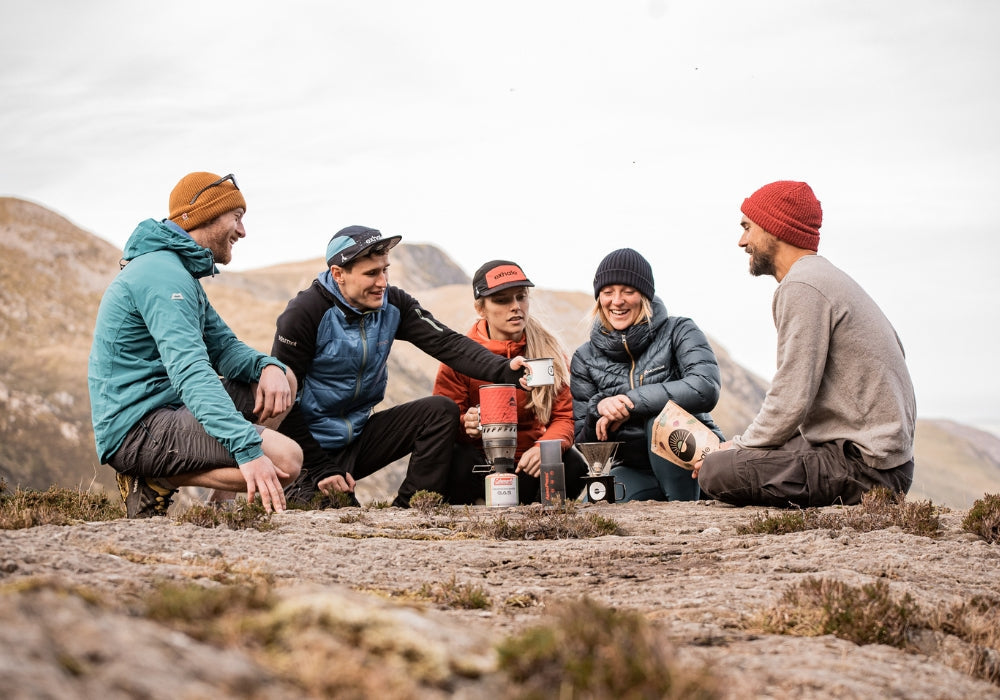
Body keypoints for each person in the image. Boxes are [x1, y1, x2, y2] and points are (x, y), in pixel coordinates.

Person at [88, 171, 303, 519]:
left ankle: (222, 503)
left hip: (168, 410)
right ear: (205, 216)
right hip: (136, 429)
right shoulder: (162, 274)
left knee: (283, 381)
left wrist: (269, 367)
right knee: (286, 460)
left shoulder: (177, 271)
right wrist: (247, 451)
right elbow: (190, 372)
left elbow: (225, 350)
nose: (243, 231)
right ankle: (155, 479)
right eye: (237, 218)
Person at [694, 180, 916, 507]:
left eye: (748, 228)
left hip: (867, 470)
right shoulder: (823, 278)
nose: (742, 241)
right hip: (876, 458)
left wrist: (739, 448)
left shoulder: (804, 286)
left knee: (715, 471)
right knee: (731, 459)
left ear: (775, 228)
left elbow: (791, 399)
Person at [272, 226, 528, 508]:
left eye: (385, 270)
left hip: (356, 439)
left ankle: (409, 508)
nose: (382, 282)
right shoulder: (304, 314)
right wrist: (320, 466)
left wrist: (505, 369)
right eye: (371, 273)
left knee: (439, 411)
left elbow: (448, 344)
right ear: (338, 274)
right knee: (336, 512)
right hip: (305, 450)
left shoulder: (393, 303)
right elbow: (283, 404)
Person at [571, 248, 724, 502]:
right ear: (599, 299)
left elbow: (704, 387)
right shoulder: (584, 358)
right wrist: (600, 409)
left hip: (696, 462)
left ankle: (688, 511)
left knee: (659, 420)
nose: (617, 301)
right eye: (608, 292)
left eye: (628, 291)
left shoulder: (679, 330)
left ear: (644, 295)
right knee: (594, 505)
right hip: (636, 469)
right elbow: (583, 442)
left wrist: (631, 402)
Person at [433, 260, 587, 504]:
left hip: (529, 467)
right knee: (455, 457)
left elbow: (564, 418)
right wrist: (466, 425)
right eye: (502, 300)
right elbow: (443, 423)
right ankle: (472, 516)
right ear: (480, 308)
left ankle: (541, 518)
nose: (515, 307)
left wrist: (544, 448)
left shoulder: (549, 351)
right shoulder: (459, 357)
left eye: (521, 296)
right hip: (481, 469)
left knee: (573, 462)